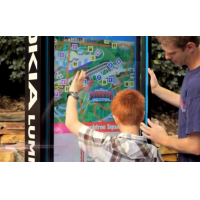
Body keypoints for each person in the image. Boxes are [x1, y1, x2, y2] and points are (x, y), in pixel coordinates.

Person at [65, 70, 163, 162]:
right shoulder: (153, 153)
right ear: (143, 116)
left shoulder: (105, 145)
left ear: (116, 119)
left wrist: (74, 91)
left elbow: (71, 122)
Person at [140, 36, 200, 162]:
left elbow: (196, 146)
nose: (166, 57)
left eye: (171, 53)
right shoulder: (194, 70)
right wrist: (157, 89)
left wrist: (163, 139)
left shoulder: (196, 84)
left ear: (190, 47)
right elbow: (188, 103)